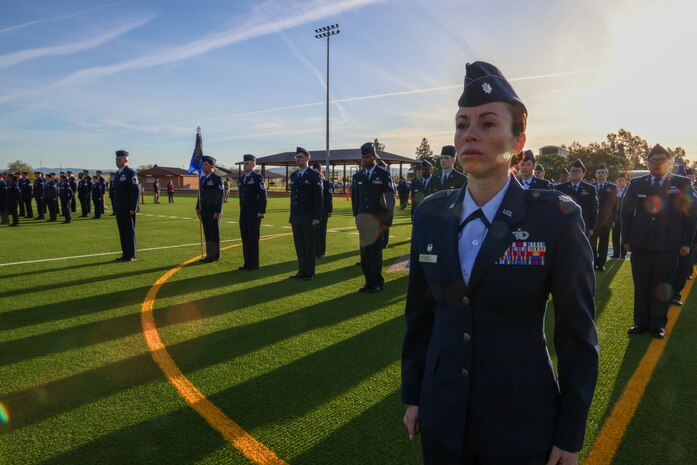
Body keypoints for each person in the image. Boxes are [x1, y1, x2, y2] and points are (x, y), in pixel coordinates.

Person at [402, 61, 598, 465]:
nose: (469, 133)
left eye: (488, 124)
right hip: (442, 414)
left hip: (520, 422)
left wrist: (571, 432)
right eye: (461, 124)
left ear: (519, 140)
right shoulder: (431, 214)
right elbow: (421, 315)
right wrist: (415, 395)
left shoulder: (555, 218)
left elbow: (576, 333)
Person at [622, 144, 697, 338]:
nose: (657, 164)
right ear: (647, 163)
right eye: (653, 160)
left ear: (670, 162)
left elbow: (690, 215)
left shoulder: (681, 183)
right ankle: (640, 322)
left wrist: (687, 242)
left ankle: (657, 324)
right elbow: (626, 213)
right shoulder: (637, 183)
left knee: (662, 284)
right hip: (641, 243)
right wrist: (627, 239)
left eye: (661, 160)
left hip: (669, 244)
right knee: (641, 283)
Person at [351, 142, 395, 292]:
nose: (365, 160)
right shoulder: (358, 176)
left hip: (377, 220)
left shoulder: (384, 175)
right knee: (365, 253)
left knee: (375, 252)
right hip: (363, 220)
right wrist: (356, 216)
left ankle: (377, 282)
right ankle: (368, 281)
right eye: (363, 157)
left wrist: (388, 220)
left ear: (374, 157)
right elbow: (355, 198)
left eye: (368, 157)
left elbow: (391, 199)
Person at [289, 146, 323, 280]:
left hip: (309, 217)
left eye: (301, 157)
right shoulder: (295, 175)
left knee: (309, 246)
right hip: (296, 216)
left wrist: (317, 217)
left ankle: (310, 272)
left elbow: (319, 197)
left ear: (308, 158)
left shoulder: (314, 175)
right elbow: (293, 197)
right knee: (299, 246)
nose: (298, 159)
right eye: (296, 157)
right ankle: (301, 270)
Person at [238, 154, 267, 270]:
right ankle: (247, 263)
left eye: (247, 163)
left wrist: (261, 210)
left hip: (254, 213)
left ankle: (254, 264)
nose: (245, 165)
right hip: (244, 213)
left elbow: (263, 195)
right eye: (244, 163)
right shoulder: (242, 178)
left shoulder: (257, 177)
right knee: (245, 239)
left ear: (254, 164)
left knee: (253, 239)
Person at [555, 159, 598, 238]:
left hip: (582, 224)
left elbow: (593, 209)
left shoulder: (590, 189)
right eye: (572, 171)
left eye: (577, 171)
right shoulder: (559, 188)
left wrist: (591, 228)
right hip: (563, 224)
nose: (574, 173)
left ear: (583, 173)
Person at [112, 150, 140, 261]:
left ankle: (131, 255)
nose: (116, 161)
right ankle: (125, 254)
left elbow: (135, 191)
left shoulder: (130, 173)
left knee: (129, 231)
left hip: (128, 209)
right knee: (122, 232)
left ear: (125, 160)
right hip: (119, 208)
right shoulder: (118, 173)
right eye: (116, 159)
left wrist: (133, 207)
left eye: (119, 159)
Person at [195, 156, 224, 262]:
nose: (203, 166)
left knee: (214, 233)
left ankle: (215, 255)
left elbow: (220, 196)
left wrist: (218, 210)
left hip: (213, 211)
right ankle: (209, 255)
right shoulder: (202, 179)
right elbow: (200, 195)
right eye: (203, 165)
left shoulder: (217, 179)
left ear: (212, 166)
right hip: (204, 210)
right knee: (207, 233)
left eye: (206, 164)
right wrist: (198, 207)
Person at [591, 164, 617, 271]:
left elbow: (615, 205)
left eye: (602, 172)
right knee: (592, 243)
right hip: (593, 220)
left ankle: (601, 263)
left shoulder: (612, 187)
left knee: (604, 243)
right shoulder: (591, 186)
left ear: (606, 174)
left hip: (606, 221)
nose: (600, 174)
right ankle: (592, 262)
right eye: (598, 172)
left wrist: (614, 220)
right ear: (595, 174)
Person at [312, 161, 333, 258]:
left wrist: (329, 210)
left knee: (321, 232)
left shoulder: (326, 183)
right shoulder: (310, 182)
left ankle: (321, 252)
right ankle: (314, 251)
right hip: (312, 211)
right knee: (312, 232)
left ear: (320, 171)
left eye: (317, 171)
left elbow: (329, 198)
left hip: (323, 211)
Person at [611, 173, 628, 259]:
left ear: (626, 182)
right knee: (615, 235)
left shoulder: (629, 191)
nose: (620, 182)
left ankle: (623, 254)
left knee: (624, 235)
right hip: (615, 217)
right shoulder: (614, 191)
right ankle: (616, 253)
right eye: (619, 180)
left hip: (625, 217)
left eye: (622, 180)